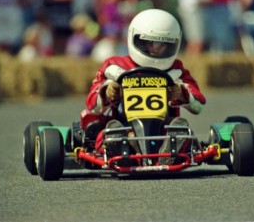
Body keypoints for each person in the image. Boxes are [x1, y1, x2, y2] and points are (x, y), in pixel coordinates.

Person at [80, 9, 206, 165]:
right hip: (123, 125)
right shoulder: (113, 66)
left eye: (162, 44)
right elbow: (91, 104)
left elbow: (199, 103)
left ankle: (169, 150)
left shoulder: (176, 69)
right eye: (148, 42)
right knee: (108, 132)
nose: (155, 48)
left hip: (162, 127)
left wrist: (181, 93)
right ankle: (120, 146)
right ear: (134, 38)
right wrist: (107, 91)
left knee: (180, 129)